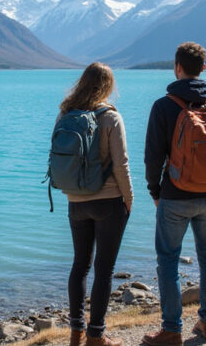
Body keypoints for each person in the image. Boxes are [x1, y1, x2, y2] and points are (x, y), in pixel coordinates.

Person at [142, 42, 206, 346]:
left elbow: (152, 157)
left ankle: (172, 329)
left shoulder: (164, 105)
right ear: (204, 69)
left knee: (168, 259)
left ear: (177, 67)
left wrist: (155, 190)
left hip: (174, 195)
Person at [57, 62, 134, 346]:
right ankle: (96, 336)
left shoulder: (66, 113)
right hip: (108, 201)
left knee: (80, 265)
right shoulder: (111, 117)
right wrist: (129, 197)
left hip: (75, 200)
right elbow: (121, 163)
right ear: (108, 86)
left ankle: (76, 331)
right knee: (104, 271)